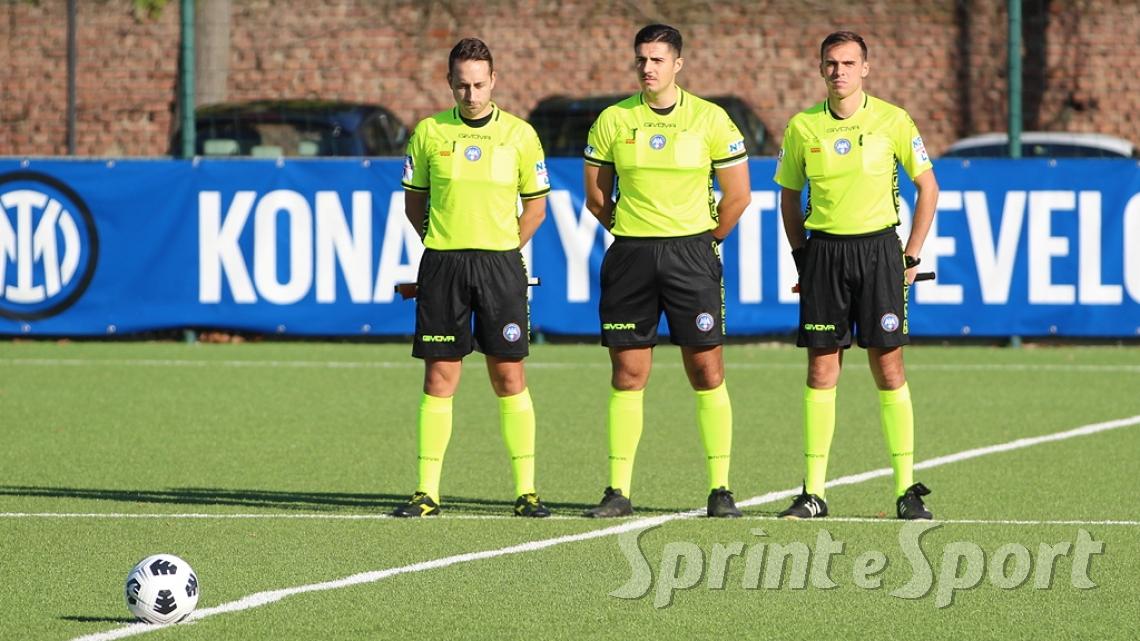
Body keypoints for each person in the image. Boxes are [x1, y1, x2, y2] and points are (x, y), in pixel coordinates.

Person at [581, 24, 752, 518]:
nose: (648, 68)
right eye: (641, 59)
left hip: (692, 256)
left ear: (678, 64)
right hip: (631, 257)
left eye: (657, 59)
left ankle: (720, 489)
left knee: (706, 369)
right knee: (628, 373)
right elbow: (597, 195)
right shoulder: (613, 120)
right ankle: (617, 490)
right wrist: (631, 230)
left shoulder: (710, 118)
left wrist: (706, 240)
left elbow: (738, 195)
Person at [774, 31, 940, 520]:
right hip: (824, 253)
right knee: (821, 370)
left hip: (879, 252)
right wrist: (802, 256)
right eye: (831, 63)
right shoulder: (802, 127)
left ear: (865, 68)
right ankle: (813, 493)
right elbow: (788, 196)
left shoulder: (894, 120)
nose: (839, 71)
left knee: (889, 368)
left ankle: (906, 490)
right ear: (820, 69)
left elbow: (928, 188)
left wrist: (910, 256)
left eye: (848, 63)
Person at [392, 37, 551, 518]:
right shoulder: (429, 133)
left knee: (509, 374)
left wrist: (503, 247)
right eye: (462, 85)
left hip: (501, 265)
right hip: (444, 264)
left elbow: (536, 208)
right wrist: (443, 242)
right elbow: (414, 203)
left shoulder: (520, 135)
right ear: (449, 83)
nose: (472, 94)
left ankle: (526, 492)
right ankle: (426, 492)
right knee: (440, 376)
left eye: (480, 85)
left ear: (494, 81)